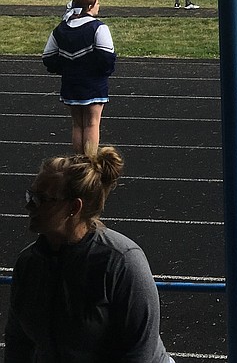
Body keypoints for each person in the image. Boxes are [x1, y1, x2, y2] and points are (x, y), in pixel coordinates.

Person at [5, 147, 175, 362]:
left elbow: (141, 353)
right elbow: (18, 342)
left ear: (74, 208)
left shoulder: (122, 261)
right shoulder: (29, 263)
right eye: (30, 195)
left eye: (41, 199)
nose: (29, 205)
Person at [42, 0, 116, 153]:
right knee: (92, 123)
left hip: (70, 82)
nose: (99, 7)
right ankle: (89, 165)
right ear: (89, 7)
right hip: (94, 83)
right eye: (97, 4)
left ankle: (78, 164)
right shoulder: (98, 27)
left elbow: (48, 57)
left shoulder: (61, 29)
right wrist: (101, 72)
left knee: (77, 124)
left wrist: (65, 69)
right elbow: (107, 57)